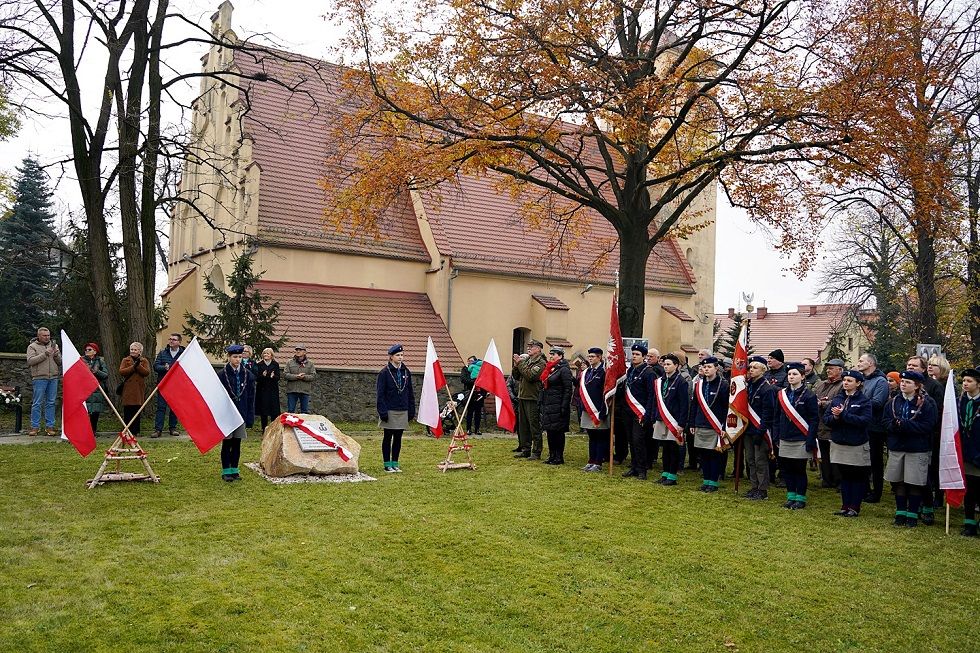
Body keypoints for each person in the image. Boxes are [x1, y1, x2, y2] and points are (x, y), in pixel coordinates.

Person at [883, 369, 938, 528]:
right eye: (902, 382)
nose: (903, 385)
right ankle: (900, 511)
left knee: (914, 482)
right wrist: (893, 425)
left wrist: (907, 425)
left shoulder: (926, 403)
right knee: (898, 481)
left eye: (908, 382)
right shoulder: (894, 402)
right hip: (897, 447)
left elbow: (928, 426)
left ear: (917, 386)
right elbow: (885, 420)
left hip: (916, 448)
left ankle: (913, 513)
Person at [824, 369, 873, 517]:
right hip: (840, 443)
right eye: (844, 380)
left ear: (858, 383)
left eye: (849, 381)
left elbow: (865, 421)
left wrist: (844, 415)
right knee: (844, 476)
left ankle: (854, 507)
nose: (845, 383)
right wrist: (835, 418)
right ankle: (845, 505)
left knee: (856, 477)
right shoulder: (837, 399)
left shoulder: (864, 401)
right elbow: (827, 419)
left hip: (856, 444)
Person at [773, 362, 818, 509]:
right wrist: (776, 435)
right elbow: (777, 416)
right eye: (789, 374)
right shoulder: (782, 394)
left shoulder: (809, 396)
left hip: (801, 437)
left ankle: (800, 498)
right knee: (786, 469)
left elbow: (814, 419)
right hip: (785, 437)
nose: (791, 377)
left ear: (803, 376)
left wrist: (810, 439)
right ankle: (790, 496)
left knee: (799, 469)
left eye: (795, 374)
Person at [906, 355, 943, 523]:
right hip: (906, 439)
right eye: (908, 365)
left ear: (923, 368)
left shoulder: (934, 387)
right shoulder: (904, 386)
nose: (910, 367)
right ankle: (913, 504)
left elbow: (936, 413)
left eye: (914, 365)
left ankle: (928, 505)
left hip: (927, 438)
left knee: (924, 474)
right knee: (909, 476)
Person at [217, 344, 256, 482]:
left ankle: (234, 469)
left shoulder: (248, 375)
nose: (238, 359)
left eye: (240, 357)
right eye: (235, 357)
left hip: (241, 413)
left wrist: (250, 417)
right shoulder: (222, 375)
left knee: (237, 443)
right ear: (229, 357)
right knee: (227, 443)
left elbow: (251, 397)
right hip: (227, 414)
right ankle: (226, 470)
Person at [690, 356, 729, 492]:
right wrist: (692, 423)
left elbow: (726, 407)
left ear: (716, 368)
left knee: (714, 455)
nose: (706, 369)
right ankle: (706, 480)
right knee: (703, 455)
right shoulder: (699, 384)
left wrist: (724, 426)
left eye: (709, 367)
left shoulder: (723, 385)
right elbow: (694, 405)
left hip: (715, 425)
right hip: (701, 423)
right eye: (704, 367)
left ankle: (713, 482)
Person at [651, 353, 689, 486]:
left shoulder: (681, 382)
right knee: (665, 448)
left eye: (669, 364)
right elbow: (657, 401)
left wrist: (681, 423)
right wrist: (655, 417)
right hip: (662, 419)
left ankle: (672, 476)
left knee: (673, 448)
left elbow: (684, 404)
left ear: (676, 366)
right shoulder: (661, 380)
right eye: (664, 364)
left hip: (674, 420)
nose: (665, 367)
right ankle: (665, 473)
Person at [856, 353, 889, 504]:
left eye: (861, 360)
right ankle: (864, 489)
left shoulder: (880, 381)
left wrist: (857, 405)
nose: (859, 362)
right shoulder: (862, 380)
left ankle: (877, 492)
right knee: (862, 461)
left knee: (875, 461)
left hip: (875, 427)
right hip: (861, 425)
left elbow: (877, 403)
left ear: (870, 363)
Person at [376, 344, 415, 473]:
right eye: (397, 355)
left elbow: (410, 392)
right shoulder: (384, 373)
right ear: (391, 357)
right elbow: (380, 394)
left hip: (402, 409)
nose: (400, 357)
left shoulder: (406, 371)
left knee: (398, 437)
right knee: (388, 437)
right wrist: (383, 411)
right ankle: (387, 464)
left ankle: (395, 463)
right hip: (389, 409)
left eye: (402, 355)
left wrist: (411, 409)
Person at [743, 355, 776, 499]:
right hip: (748, 429)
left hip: (759, 430)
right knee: (750, 459)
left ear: (763, 370)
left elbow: (768, 413)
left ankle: (762, 489)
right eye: (750, 367)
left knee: (760, 460)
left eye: (754, 367)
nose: (751, 370)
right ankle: (753, 486)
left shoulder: (766, 389)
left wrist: (761, 431)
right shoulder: (749, 386)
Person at [622, 344, 656, 480]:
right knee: (631, 440)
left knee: (639, 441)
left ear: (644, 357)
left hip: (640, 412)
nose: (634, 356)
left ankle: (642, 469)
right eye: (633, 354)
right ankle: (634, 467)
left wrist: (647, 414)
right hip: (628, 411)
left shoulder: (649, 373)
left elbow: (651, 396)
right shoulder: (630, 371)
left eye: (637, 354)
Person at [813, 358, 845, 488]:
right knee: (824, 454)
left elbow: (840, 402)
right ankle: (826, 479)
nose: (828, 370)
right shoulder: (822, 384)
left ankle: (838, 480)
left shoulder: (843, 384)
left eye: (832, 368)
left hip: (834, 424)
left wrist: (823, 403)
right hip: (821, 424)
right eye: (828, 368)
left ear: (840, 370)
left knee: (836, 455)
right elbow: (815, 397)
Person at [512, 339, 546, 459]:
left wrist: (520, 364)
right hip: (523, 395)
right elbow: (516, 376)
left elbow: (531, 376)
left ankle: (536, 451)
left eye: (531, 346)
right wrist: (516, 366)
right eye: (528, 346)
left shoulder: (541, 363)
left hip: (533, 397)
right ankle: (525, 448)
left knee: (534, 425)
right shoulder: (527, 360)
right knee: (523, 425)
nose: (529, 348)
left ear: (539, 348)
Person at [538, 346, 573, 465]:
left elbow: (568, 389)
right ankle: (552, 455)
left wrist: (564, 405)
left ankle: (559, 456)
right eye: (550, 354)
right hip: (549, 404)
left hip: (558, 405)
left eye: (554, 354)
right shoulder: (551, 369)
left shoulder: (564, 370)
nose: (551, 356)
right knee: (550, 432)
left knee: (558, 432)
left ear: (561, 356)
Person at [26, 326, 61, 436]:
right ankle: (34, 427)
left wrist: (55, 354)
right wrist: (45, 354)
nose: (47, 337)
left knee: (51, 403)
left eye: (48, 335)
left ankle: (49, 427)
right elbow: (31, 361)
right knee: (37, 403)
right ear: (38, 336)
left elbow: (60, 362)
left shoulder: (54, 346)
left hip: (53, 378)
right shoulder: (32, 346)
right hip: (39, 378)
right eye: (44, 335)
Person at [957, 368, 980, 537]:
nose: (965, 384)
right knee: (970, 489)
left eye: (969, 381)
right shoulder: (960, 402)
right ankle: (969, 523)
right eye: (964, 380)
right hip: (966, 452)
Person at [578, 347, 609, 471]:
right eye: (589, 356)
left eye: (593, 356)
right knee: (591, 436)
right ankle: (591, 460)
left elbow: (606, 393)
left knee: (600, 436)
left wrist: (602, 412)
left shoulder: (604, 372)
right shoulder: (588, 372)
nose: (590, 359)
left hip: (599, 409)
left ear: (599, 357)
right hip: (587, 409)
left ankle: (598, 462)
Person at [152, 333, 185, 438]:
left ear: (179, 342)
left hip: (177, 386)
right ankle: (158, 430)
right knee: (161, 407)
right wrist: (164, 368)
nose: (171, 341)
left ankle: (173, 428)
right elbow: (156, 366)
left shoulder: (183, 354)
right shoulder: (163, 353)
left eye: (174, 340)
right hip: (164, 384)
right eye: (170, 339)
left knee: (174, 408)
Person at [119, 342, 150, 436]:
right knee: (127, 411)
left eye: (135, 350)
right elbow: (122, 371)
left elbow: (146, 372)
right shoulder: (125, 360)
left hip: (138, 389)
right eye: (131, 349)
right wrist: (133, 367)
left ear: (140, 351)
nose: (133, 351)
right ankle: (127, 430)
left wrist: (138, 366)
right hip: (128, 389)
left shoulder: (144, 361)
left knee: (137, 411)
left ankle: (136, 431)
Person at [83, 343, 109, 434]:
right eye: (86, 349)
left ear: (95, 351)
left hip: (97, 389)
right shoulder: (81, 361)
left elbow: (105, 375)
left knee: (95, 411)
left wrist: (96, 371)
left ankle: (93, 430)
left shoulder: (100, 361)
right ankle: (85, 430)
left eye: (89, 349)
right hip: (85, 388)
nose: (87, 351)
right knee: (86, 410)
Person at [254, 347, 282, 432]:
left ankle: (273, 429)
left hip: (272, 390)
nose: (266, 355)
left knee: (274, 410)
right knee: (264, 410)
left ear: (271, 355)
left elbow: (278, 377)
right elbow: (256, 378)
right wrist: (262, 375)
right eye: (264, 353)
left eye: (268, 353)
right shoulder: (259, 364)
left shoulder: (275, 364)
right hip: (262, 390)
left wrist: (273, 376)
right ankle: (264, 428)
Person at [284, 345, 316, 413]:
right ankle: (290, 424)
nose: (298, 351)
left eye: (300, 350)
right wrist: (296, 376)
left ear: (305, 352)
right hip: (292, 390)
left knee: (304, 411)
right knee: (290, 411)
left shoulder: (310, 364)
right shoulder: (289, 362)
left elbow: (313, 376)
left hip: (304, 390)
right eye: (297, 350)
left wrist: (304, 377)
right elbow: (285, 375)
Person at [463, 356, 487, 435]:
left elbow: (484, 380)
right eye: (469, 361)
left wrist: (484, 393)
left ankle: (477, 429)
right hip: (470, 392)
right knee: (470, 411)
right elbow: (463, 379)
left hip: (479, 393)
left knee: (478, 412)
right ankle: (468, 429)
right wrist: (473, 381)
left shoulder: (480, 369)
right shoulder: (465, 369)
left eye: (472, 361)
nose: (470, 362)